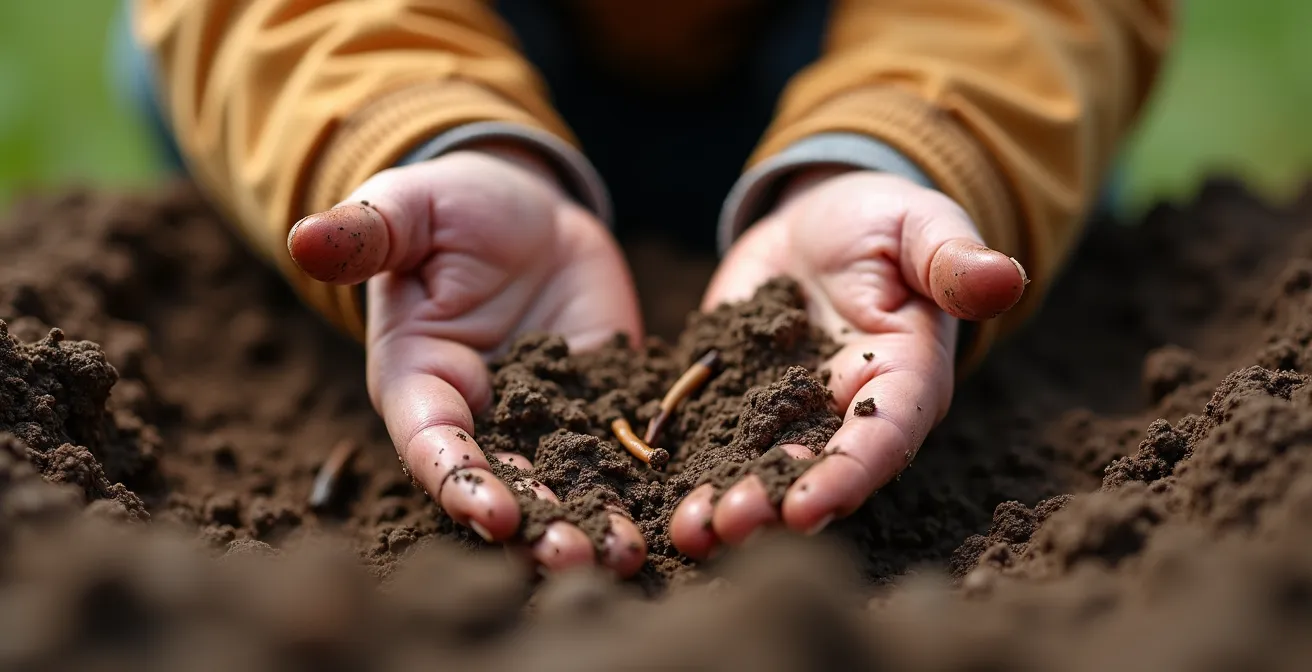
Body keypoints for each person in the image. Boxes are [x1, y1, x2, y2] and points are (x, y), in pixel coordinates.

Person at [128, 0, 1173, 577]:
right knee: (168, 61)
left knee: (1003, 184)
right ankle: (449, 158)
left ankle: (884, 175)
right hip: (467, 45)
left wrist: (901, 148)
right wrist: (416, 124)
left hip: (851, 54)